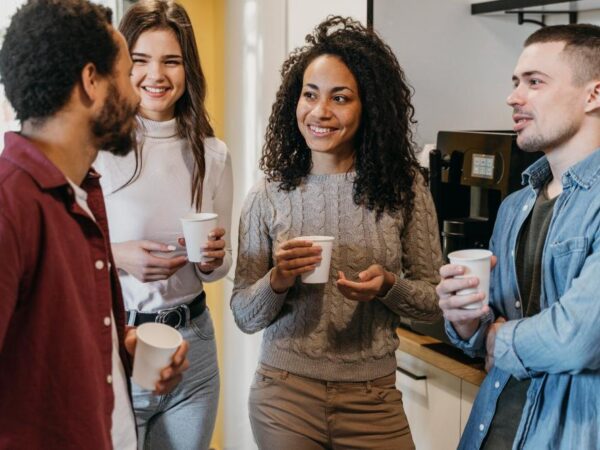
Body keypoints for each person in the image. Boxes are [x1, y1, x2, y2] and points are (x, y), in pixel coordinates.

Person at [231, 16, 442, 450]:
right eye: (309, 95)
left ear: (369, 107)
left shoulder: (405, 189)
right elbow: (244, 315)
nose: (320, 112)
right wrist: (277, 280)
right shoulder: (268, 196)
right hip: (284, 395)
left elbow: (433, 306)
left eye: (340, 98)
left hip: (374, 399)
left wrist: (389, 287)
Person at [0, 0, 189, 449]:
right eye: (127, 74)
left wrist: (119, 347)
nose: (137, 91)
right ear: (91, 82)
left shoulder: (84, 191)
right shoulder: (12, 205)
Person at [437, 24, 600, 450]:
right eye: (515, 82)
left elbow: (580, 338)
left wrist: (497, 339)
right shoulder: (514, 206)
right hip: (492, 429)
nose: (514, 97)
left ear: (594, 95)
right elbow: (484, 327)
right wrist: (466, 317)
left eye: (535, 82)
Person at [93, 1, 232, 448]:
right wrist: (119, 258)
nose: (157, 75)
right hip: (121, 343)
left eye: (171, 61)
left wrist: (213, 259)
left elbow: (218, 267)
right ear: (121, 66)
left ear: (187, 68)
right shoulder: (95, 148)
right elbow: (68, 251)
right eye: (140, 61)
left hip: (192, 344)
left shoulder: (213, 154)